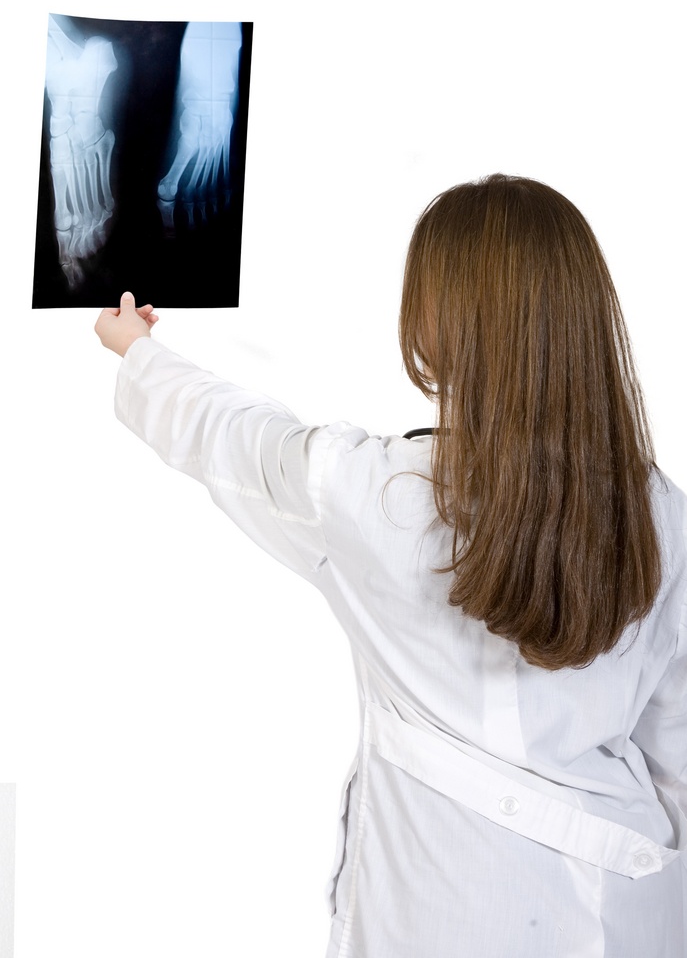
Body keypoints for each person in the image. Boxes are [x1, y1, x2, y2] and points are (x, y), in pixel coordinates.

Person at [95, 174, 686, 958]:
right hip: (629, 908)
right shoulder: (655, 506)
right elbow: (674, 736)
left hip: (447, 911)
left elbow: (231, 436)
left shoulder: (377, 495)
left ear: (439, 322)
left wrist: (137, 350)